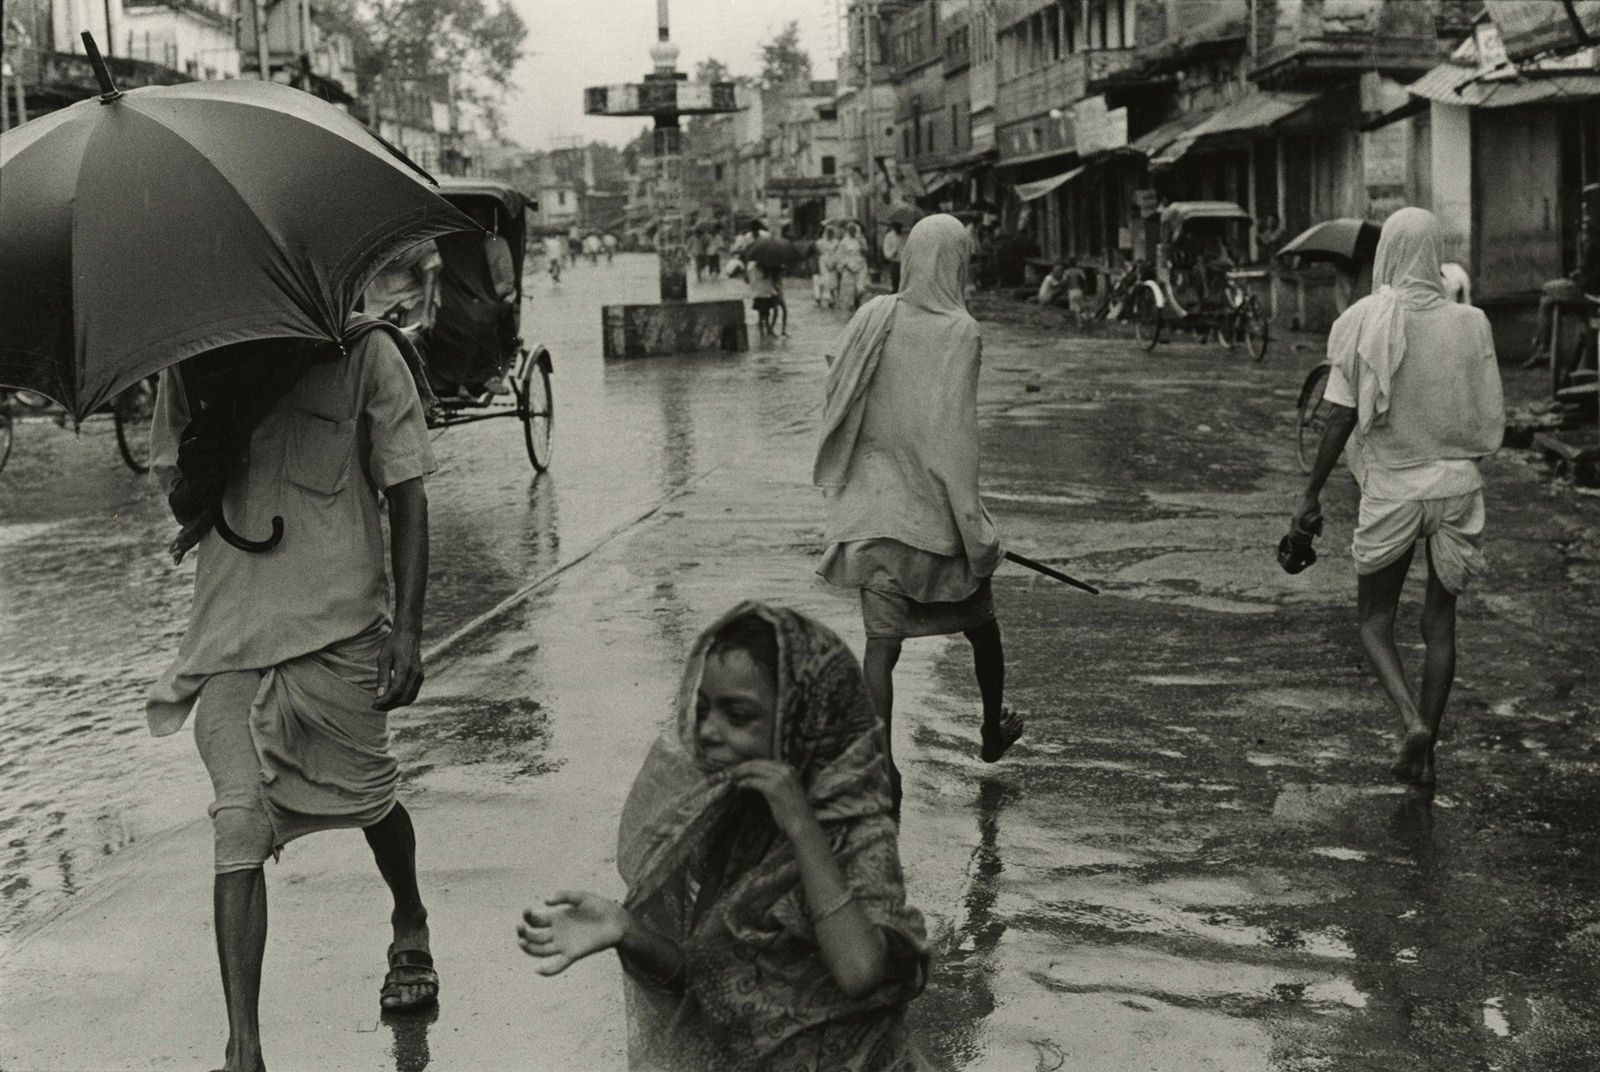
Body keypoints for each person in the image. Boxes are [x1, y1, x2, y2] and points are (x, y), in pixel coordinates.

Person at [147, 318, 440, 1072]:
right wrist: (199, 472)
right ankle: (243, 1050)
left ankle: (409, 919)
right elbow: (181, 509)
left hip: (340, 629)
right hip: (230, 637)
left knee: (370, 797)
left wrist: (406, 630)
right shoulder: (189, 368)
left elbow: (406, 493)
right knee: (238, 825)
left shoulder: (365, 353)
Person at [517, 603, 931, 1072]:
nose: (709, 731)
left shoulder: (857, 835)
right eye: (704, 709)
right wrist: (626, 932)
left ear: (804, 722)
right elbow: (703, 984)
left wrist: (799, 824)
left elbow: (860, 971)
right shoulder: (727, 823)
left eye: (738, 715)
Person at [814, 214, 1022, 817]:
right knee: (982, 627)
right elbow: (956, 435)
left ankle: (884, 767)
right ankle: (990, 731)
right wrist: (976, 527)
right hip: (933, 516)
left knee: (882, 645)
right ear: (958, 262)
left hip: (872, 513)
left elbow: (839, 392)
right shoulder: (962, 332)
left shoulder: (872, 316)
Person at [1291, 207, 1504, 793]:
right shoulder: (1474, 323)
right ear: (1434, 254)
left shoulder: (1364, 319)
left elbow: (1337, 418)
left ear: (1388, 252)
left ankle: (1411, 721)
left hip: (1392, 489)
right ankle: (1426, 752)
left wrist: (1309, 497)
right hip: (1459, 488)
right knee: (1440, 621)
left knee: (1374, 621)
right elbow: (1485, 413)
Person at [430, 201, 517, 399]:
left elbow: (507, 282)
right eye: (473, 218)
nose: (477, 222)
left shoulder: (497, 243)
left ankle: (485, 376)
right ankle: (446, 380)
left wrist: (482, 296)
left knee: (479, 317)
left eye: (481, 217)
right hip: (463, 296)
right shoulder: (456, 243)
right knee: (444, 318)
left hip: (494, 295)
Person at [1528, 197, 1600, 369]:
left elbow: (1592, 273)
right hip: (1588, 286)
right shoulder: (1591, 242)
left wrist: (1578, 277)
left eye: (1587, 219)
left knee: (1547, 289)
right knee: (1547, 302)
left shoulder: (1595, 243)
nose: (1584, 222)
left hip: (1589, 290)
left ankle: (1543, 347)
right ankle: (1544, 347)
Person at [834, 221, 870, 312]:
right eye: (850, 229)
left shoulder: (861, 240)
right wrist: (845, 264)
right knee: (849, 289)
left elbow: (865, 252)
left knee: (860, 288)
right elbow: (839, 255)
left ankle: (858, 302)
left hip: (860, 265)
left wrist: (862, 245)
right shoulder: (844, 242)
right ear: (848, 231)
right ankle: (852, 305)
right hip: (848, 267)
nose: (852, 231)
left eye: (854, 229)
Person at [815, 224, 841, 307]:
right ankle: (819, 296)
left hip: (833, 261)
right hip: (823, 261)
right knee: (824, 280)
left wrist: (835, 261)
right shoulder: (821, 242)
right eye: (828, 233)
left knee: (833, 281)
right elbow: (818, 252)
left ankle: (832, 299)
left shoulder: (836, 242)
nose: (830, 234)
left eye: (831, 233)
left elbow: (838, 252)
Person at [881, 222, 905, 292]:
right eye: (897, 226)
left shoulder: (905, 235)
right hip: (896, 263)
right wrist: (892, 253)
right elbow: (886, 250)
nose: (899, 228)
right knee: (896, 284)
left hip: (905, 263)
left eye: (900, 226)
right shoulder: (889, 236)